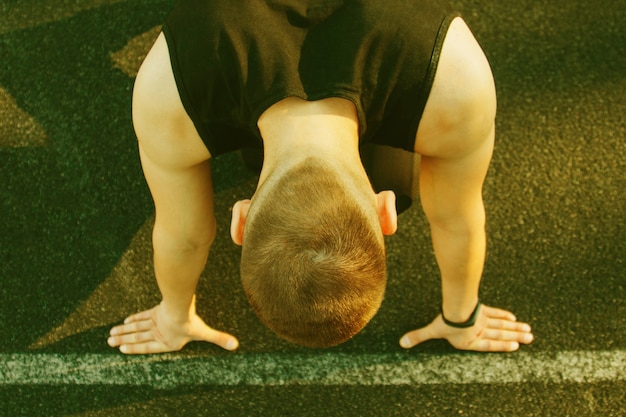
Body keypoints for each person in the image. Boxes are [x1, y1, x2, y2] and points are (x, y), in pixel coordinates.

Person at [107, 0, 534, 354]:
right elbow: (456, 217)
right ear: (239, 219)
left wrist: (174, 315)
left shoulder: (454, 83)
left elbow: (185, 234)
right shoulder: (167, 93)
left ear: (241, 218)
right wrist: (463, 316)